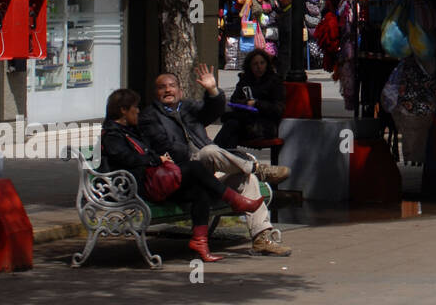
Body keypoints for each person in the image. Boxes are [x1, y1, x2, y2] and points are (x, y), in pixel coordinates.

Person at [139, 65, 292, 256]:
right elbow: (164, 146)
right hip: (184, 173)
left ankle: (262, 238)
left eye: (172, 86)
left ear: (180, 90)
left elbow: (214, 111)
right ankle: (257, 168)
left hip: (209, 172)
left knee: (246, 180)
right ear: (156, 92)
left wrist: (212, 90)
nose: (168, 90)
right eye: (163, 87)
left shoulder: (187, 108)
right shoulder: (149, 116)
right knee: (209, 151)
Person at [100, 88, 264, 262]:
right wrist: (157, 159)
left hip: (151, 181)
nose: (138, 110)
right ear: (123, 110)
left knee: (198, 190)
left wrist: (160, 158)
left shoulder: (132, 129)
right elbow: (128, 158)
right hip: (136, 187)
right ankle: (235, 200)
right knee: (194, 167)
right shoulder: (112, 134)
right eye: (135, 107)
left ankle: (200, 242)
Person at [213, 48, 288, 150]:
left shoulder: (274, 82)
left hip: (265, 126)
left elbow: (277, 109)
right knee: (232, 128)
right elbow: (234, 99)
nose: (259, 67)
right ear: (250, 66)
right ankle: (220, 156)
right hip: (245, 122)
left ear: (267, 64)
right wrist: (246, 103)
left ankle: (214, 153)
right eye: (255, 64)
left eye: (262, 63)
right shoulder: (245, 80)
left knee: (232, 127)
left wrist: (256, 104)